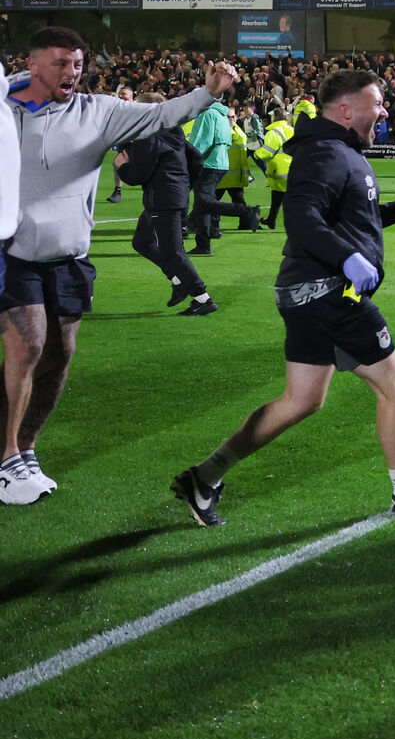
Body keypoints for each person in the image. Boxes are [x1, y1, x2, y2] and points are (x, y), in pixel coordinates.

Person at [169, 68, 395, 526]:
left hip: (305, 292)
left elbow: (357, 219)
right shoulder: (327, 152)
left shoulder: (337, 150)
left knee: (302, 400)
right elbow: (301, 216)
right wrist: (347, 258)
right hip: (328, 292)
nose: (385, 110)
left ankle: (205, 476)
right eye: (377, 103)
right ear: (346, 110)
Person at [1, 29, 238, 507]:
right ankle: (6, 459)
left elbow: (160, 114)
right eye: (62, 63)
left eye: (78, 64)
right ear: (32, 63)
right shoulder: (2, 107)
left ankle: (25, 449)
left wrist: (207, 93)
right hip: (12, 252)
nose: (72, 72)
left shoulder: (99, 112)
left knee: (60, 352)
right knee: (28, 344)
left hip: (68, 255)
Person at [117, 93, 213, 314]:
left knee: (173, 252)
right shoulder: (173, 131)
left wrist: (121, 166)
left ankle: (202, 298)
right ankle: (179, 281)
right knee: (142, 242)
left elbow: (136, 175)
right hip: (168, 197)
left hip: (164, 200)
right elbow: (196, 158)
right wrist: (182, 184)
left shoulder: (149, 135)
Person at [188, 96, 260, 253]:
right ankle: (203, 244)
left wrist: (188, 162)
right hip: (220, 162)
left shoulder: (207, 114)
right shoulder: (221, 115)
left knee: (204, 203)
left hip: (207, 163)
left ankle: (247, 212)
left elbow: (202, 142)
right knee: (202, 205)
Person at [253, 107, 296, 229]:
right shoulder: (291, 130)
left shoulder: (274, 132)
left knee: (280, 196)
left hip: (279, 169)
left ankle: (287, 223)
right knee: (278, 196)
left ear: (274, 118)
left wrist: (257, 154)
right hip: (292, 168)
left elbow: (268, 152)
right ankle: (271, 220)